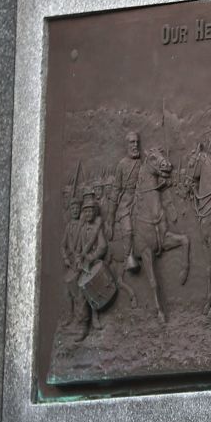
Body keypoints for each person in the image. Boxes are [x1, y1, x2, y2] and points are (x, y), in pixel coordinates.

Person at [105, 131, 142, 267]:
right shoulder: (122, 165)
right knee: (127, 229)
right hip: (126, 201)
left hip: (140, 198)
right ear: (126, 145)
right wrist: (110, 216)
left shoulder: (141, 163)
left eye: (137, 142)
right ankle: (128, 258)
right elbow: (116, 189)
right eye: (132, 142)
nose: (135, 145)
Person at [75, 192, 108, 338]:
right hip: (84, 266)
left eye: (90, 211)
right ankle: (83, 325)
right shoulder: (82, 230)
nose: (88, 214)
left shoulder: (97, 229)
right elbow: (78, 249)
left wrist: (92, 257)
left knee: (93, 288)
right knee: (81, 294)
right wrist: (79, 259)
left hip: (95, 263)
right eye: (85, 211)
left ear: (94, 212)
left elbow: (102, 246)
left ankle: (95, 317)